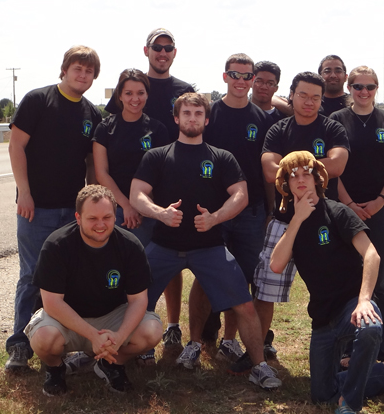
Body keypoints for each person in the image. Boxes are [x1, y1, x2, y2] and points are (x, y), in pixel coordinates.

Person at [130, 93, 281, 389]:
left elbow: (241, 194)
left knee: (244, 305)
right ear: (176, 118)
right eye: (186, 113)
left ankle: (259, 365)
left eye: (198, 114)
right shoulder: (157, 156)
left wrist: (215, 218)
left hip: (208, 246)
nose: (192, 118)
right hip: (163, 245)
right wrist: (160, 214)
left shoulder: (221, 157)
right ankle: (122, 353)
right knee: (134, 300)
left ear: (206, 120)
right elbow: (137, 193)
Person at [269, 151, 384, 412]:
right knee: (322, 394)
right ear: (286, 184)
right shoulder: (292, 223)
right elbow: (276, 265)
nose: (300, 179)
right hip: (322, 318)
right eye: (293, 175)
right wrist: (297, 218)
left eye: (306, 173)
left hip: (351, 306)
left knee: (370, 327)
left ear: (317, 178)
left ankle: (350, 405)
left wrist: (364, 300)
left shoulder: (337, 211)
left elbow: (372, 255)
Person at [5, 45, 103, 372]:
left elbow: (90, 162)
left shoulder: (92, 113)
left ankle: (64, 345)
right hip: (37, 208)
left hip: (72, 213)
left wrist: (90, 205)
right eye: (78, 68)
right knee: (32, 277)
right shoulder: (38, 100)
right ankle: (19, 346)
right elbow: (16, 145)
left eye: (89, 71)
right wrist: (24, 193)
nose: (83, 75)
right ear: (65, 69)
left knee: (68, 281)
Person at [250, 72, 349, 364]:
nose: (309, 102)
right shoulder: (278, 130)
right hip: (283, 221)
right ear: (291, 95)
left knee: (334, 287)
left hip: (322, 221)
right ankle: (256, 351)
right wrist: (314, 167)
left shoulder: (332, 128)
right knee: (265, 290)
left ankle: (342, 348)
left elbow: (339, 163)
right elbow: (269, 170)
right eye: (303, 95)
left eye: (315, 98)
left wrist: (292, 167)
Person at [25, 185, 162, 396]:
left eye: (107, 217)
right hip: (66, 319)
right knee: (44, 338)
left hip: (110, 317)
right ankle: (55, 368)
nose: (100, 225)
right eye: (92, 218)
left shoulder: (130, 245)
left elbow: (138, 300)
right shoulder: (57, 245)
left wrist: (118, 337)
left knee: (151, 331)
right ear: (78, 217)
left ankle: (110, 363)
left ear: (114, 217)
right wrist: (92, 336)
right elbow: (52, 303)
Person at [105, 28, 193, 351]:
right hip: (126, 194)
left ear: (174, 53)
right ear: (147, 50)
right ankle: (130, 324)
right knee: (130, 262)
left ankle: (171, 326)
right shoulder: (132, 85)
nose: (163, 52)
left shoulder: (184, 89)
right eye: (158, 47)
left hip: (167, 190)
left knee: (168, 261)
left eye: (169, 48)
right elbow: (105, 146)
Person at [330, 66, 384, 366]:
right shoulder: (337, 121)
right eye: (358, 86)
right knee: (349, 278)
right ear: (349, 88)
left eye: (370, 87)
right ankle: (349, 349)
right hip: (345, 211)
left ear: (376, 89)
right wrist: (348, 203)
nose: (364, 92)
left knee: (382, 282)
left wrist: (380, 200)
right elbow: (332, 168)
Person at [201, 54, 270, 361]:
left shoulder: (263, 118)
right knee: (205, 275)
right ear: (225, 77)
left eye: (247, 76)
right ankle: (197, 339)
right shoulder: (209, 114)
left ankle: (230, 339)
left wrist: (270, 208)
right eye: (235, 74)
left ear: (253, 80)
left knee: (241, 278)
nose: (241, 81)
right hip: (212, 210)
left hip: (251, 211)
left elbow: (267, 169)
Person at [93, 68, 169, 247]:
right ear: (119, 95)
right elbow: (101, 173)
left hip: (148, 211)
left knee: (148, 269)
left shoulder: (158, 130)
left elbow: (162, 173)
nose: (135, 99)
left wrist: (142, 206)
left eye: (140, 93)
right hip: (114, 209)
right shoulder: (105, 128)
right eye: (128, 93)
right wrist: (127, 206)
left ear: (147, 95)